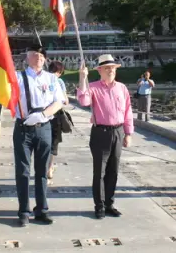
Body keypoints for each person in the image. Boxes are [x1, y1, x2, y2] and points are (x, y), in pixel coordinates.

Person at [13, 45, 65, 227]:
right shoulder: (17, 77)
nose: (40, 58)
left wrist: (43, 115)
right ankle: (24, 211)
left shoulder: (51, 78)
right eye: (35, 55)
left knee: (42, 171)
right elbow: (6, 97)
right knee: (22, 171)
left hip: (44, 127)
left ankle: (42, 209)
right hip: (23, 127)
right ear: (27, 58)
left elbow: (58, 102)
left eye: (42, 55)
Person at [77, 54, 133, 219]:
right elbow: (84, 101)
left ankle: (109, 203)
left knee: (113, 171)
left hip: (118, 131)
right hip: (100, 132)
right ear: (100, 70)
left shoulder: (121, 88)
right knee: (100, 172)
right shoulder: (93, 87)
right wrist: (82, 78)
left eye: (113, 68)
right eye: (107, 68)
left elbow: (128, 111)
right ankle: (99, 205)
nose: (111, 71)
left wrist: (128, 133)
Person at [47, 60, 69, 184]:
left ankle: (43, 166)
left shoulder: (43, 79)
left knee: (43, 142)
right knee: (54, 142)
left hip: (44, 115)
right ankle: (50, 167)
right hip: (56, 115)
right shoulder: (59, 82)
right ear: (60, 72)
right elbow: (65, 101)